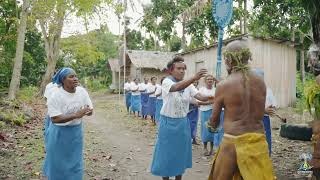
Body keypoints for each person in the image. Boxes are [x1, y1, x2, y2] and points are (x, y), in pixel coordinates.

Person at [207, 40, 274, 180]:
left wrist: (212, 126)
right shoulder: (261, 82)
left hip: (232, 143)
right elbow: (260, 112)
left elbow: (214, 120)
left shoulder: (224, 85)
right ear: (246, 57)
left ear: (229, 59)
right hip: (258, 142)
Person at [151, 56, 212, 180]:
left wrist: (217, 96)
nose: (182, 71)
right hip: (167, 123)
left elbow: (201, 97)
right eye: (179, 68)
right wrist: (194, 78)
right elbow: (176, 88)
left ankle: (179, 178)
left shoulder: (189, 85)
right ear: (170, 71)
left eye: (184, 68)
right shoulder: (167, 82)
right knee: (166, 154)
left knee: (180, 154)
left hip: (182, 123)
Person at [46, 67, 93, 179]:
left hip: (75, 133)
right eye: (71, 76)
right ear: (63, 80)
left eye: (76, 76)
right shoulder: (55, 95)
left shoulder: (82, 92)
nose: (75, 78)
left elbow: (90, 110)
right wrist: (76, 115)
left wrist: (88, 111)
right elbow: (55, 119)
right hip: (59, 133)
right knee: (58, 162)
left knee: (75, 162)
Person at [253, 68, 278, 155]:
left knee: (265, 139)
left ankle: (266, 157)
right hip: (252, 120)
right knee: (253, 140)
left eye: (260, 78)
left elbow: (274, 104)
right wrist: (264, 110)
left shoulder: (268, 90)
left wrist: (272, 108)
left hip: (265, 120)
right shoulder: (248, 91)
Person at [42, 70, 60, 177]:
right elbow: (46, 99)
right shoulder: (50, 86)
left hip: (59, 117)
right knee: (50, 140)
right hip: (51, 116)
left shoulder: (65, 86)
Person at [198, 75, 216, 155]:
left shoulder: (216, 90)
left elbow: (218, 100)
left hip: (214, 111)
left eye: (211, 79)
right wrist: (209, 102)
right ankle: (205, 148)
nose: (210, 80)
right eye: (208, 79)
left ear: (213, 81)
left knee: (213, 129)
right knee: (205, 129)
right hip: (204, 111)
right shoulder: (201, 90)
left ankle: (212, 148)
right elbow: (198, 102)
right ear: (205, 81)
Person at [187, 81, 200, 145]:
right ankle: (189, 138)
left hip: (196, 108)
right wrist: (193, 103)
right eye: (193, 82)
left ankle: (194, 138)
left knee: (195, 123)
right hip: (190, 109)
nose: (195, 83)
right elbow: (187, 99)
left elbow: (199, 99)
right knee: (189, 123)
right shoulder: (188, 90)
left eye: (196, 82)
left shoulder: (197, 90)